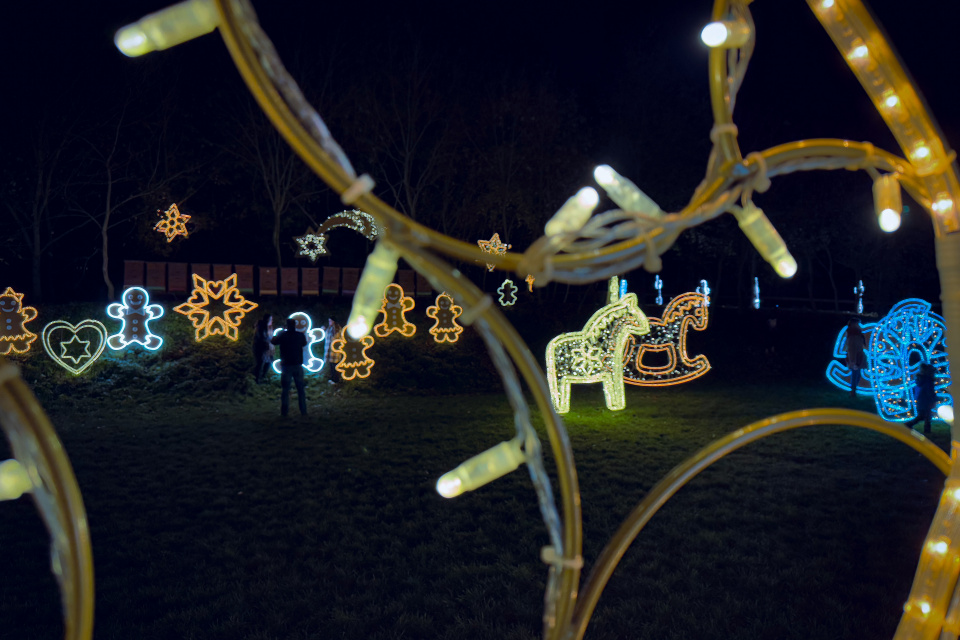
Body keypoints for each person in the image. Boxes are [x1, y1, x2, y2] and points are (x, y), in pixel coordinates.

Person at [271, 317, 308, 416]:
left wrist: (280, 332)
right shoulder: (300, 335)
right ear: (295, 325)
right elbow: (304, 343)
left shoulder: (283, 335)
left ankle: (284, 412)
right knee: (300, 389)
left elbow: (273, 341)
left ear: (286, 326)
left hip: (286, 365)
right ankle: (303, 411)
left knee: (285, 390)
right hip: (297, 364)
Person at [906, 363, 936, 434]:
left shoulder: (922, 379)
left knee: (924, 415)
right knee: (926, 416)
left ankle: (910, 424)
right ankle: (926, 430)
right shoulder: (928, 380)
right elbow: (929, 391)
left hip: (922, 399)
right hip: (926, 400)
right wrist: (933, 399)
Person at [845, 318, 867, 397]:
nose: (859, 325)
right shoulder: (852, 334)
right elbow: (851, 348)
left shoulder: (858, 334)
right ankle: (853, 391)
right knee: (855, 374)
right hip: (855, 357)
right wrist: (852, 361)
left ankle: (854, 390)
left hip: (859, 356)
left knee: (857, 375)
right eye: (857, 324)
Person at [252, 314, 274, 383]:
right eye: (270, 319)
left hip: (267, 347)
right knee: (260, 362)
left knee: (268, 361)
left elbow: (270, 337)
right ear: (267, 320)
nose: (272, 321)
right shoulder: (261, 327)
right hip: (261, 347)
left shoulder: (268, 327)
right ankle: (257, 378)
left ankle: (262, 377)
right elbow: (262, 337)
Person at [325, 318, 342, 384]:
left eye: (330, 321)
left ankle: (336, 380)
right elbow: (327, 337)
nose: (329, 322)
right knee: (332, 365)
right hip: (330, 351)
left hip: (334, 351)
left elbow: (333, 338)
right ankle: (333, 379)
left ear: (333, 321)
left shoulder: (336, 329)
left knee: (334, 365)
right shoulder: (330, 328)